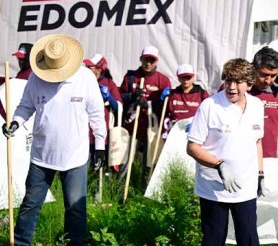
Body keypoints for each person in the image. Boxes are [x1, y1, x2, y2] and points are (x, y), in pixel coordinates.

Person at [0, 34, 106, 246]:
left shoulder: (85, 77)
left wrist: (100, 146)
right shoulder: (37, 77)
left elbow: (97, 114)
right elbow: (26, 105)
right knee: (30, 204)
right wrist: (15, 122)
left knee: (75, 208)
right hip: (41, 154)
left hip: (75, 155)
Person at [186, 58, 264, 246]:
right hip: (213, 189)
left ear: (249, 84)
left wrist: (259, 173)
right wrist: (219, 165)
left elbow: (257, 141)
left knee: (248, 239)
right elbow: (192, 147)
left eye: (238, 81)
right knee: (214, 240)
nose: (231, 86)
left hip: (245, 187)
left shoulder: (257, 106)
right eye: (229, 80)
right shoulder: (210, 106)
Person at [118, 46, 171, 179]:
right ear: (141, 59)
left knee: (149, 160)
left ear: (156, 61)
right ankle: (120, 188)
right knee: (126, 159)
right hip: (132, 126)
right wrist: (132, 97)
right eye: (145, 59)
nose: (148, 63)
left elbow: (165, 106)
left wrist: (151, 103)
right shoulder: (131, 77)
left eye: (151, 60)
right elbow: (120, 96)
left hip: (151, 128)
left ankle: (144, 190)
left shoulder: (163, 80)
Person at [84, 54, 123, 160]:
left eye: (90, 67)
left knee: (99, 160)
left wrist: (109, 97)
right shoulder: (84, 82)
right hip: (84, 130)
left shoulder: (109, 84)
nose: (87, 70)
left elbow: (119, 107)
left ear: (99, 69)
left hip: (101, 129)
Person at [161, 63, 209, 138]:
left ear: (193, 77)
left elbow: (208, 113)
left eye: (188, 77)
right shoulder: (173, 94)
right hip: (176, 132)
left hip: (194, 132)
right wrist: (161, 100)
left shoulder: (202, 94)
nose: (186, 80)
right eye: (183, 77)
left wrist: (197, 124)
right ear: (178, 78)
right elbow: (165, 113)